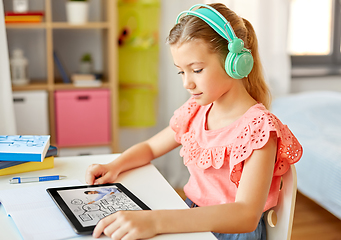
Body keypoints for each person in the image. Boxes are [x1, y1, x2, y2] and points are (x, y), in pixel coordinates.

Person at [85, 3, 302, 240]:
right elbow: (150, 147)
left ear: (235, 63)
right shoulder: (196, 111)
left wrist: (156, 220)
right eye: (181, 71)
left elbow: (246, 214)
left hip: (232, 232)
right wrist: (114, 166)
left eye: (196, 70)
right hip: (191, 217)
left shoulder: (259, 128)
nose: (187, 83)